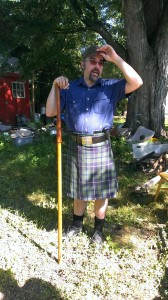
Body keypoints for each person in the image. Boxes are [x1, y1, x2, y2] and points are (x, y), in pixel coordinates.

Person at [46, 44, 143, 244]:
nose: (97, 66)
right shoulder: (69, 88)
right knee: (79, 191)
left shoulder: (111, 87)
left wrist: (115, 58)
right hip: (77, 146)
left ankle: (98, 231)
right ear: (82, 64)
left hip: (101, 147)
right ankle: (76, 225)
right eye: (92, 61)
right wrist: (54, 85)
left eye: (100, 63)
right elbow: (49, 112)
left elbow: (137, 81)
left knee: (101, 194)